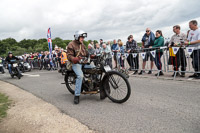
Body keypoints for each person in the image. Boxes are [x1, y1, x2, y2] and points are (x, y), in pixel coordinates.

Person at [67, 30, 96, 104]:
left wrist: (91, 55)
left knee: (95, 69)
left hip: (83, 62)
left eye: (83, 37)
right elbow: (69, 55)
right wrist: (74, 59)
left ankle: (94, 85)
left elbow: (86, 53)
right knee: (80, 76)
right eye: (81, 37)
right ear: (77, 37)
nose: (83, 39)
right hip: (76, 63)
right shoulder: (71, 44)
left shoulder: (82, 44)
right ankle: (77, 95)